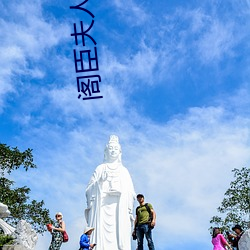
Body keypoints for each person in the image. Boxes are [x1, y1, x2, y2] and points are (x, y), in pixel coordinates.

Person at [85, 135, 136, 250]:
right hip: (101, 208)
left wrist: (122, 192)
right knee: (100, 237)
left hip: (119, 209)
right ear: (106, 151)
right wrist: (100, 181)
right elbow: (88, 190)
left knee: (119, 237)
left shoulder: (124, 171)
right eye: (111, 148)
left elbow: (131, 193)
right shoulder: (100, 169)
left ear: (120, 152)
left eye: (115, 149)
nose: (113, 151)